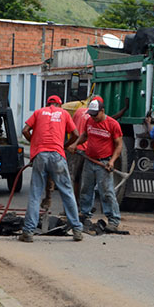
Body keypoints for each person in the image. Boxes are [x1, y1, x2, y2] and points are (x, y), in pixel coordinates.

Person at [19, 95, 82, 243]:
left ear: (47, 104)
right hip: (57, 155)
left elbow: (25, 130)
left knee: (35, 194)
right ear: (59, 105)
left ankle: (28, 232)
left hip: (40, 155)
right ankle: (77, 230)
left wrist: (34, 142)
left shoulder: (39, 112)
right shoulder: (64, 113)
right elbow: (76, 134)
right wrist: (65, 146)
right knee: (67, 193)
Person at [68, 99, 123, 232]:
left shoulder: (112, 124)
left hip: (103, 163)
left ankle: (113, 220)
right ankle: (85, 214)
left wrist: (112, 161)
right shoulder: (90, 121)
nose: (93, 117)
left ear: (102, 111)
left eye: (95, 114)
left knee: (107, 192)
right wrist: (75, 144)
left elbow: (119, 145)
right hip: (89, 161)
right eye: (91, 114)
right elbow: (85, 135)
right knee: (85, 189)